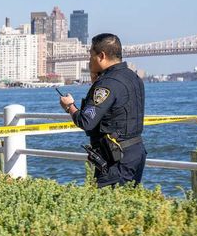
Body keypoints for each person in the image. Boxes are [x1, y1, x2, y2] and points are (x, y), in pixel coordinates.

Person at [59, 33, 146, 188]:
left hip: (116, 160)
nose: (89, 60)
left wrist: (69, 106)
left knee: (106, 205)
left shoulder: (107, 84)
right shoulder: (134, 77)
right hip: (136, 152)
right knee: (130, 203)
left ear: (101, 56)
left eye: (91, 55)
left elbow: (86, 121)